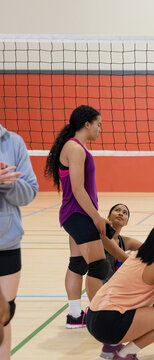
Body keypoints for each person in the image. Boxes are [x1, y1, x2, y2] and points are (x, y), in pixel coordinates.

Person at [44, 105, 115, 328]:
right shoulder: (75, 149)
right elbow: (77, 189)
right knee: (99, 266)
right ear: (87, 124)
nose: (100, 129)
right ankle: (98, 315)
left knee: (77, 264)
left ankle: (75, 316)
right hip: (78, 214)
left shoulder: (77, 147)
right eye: (98, 124)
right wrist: (96, 217)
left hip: (75, 214)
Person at [87, 222, 154, 360]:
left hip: (93, 317)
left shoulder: (137, 256)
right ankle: (124, 354)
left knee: (153, 308)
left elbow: (151, 299)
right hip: (109, 323)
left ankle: (111, 347)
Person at [0, 123, 39, 359]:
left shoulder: (13, 142)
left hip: (6, 242)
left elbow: (30, 192)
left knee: (4, 315)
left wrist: (7, 183)